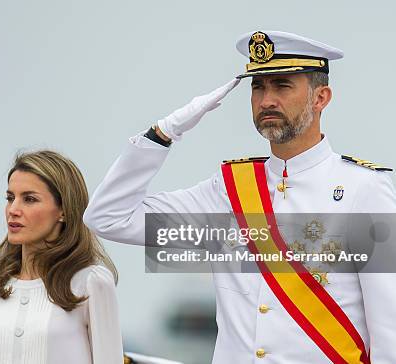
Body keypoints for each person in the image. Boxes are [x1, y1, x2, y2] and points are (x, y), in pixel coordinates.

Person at [83, 30, 396, 363]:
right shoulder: (228, 191)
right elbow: (108, 217)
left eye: (282, 86)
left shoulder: (364, 189)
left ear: (321, 98)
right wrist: (165, 132)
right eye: (258, 87)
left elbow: (389, 328)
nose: (266, 101)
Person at [0, 150, 123, 364]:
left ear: (64, 210)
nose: (13, 209)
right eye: (10, 198)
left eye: (29, 199)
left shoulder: (91, 283)